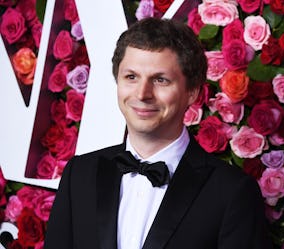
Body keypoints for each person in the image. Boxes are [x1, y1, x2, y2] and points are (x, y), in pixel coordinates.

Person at [44, 17, 271, 249]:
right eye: (131, 77)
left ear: (192, 92)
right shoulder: (79, 175)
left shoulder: (232, 191)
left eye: (160, 80)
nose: (142, 94)